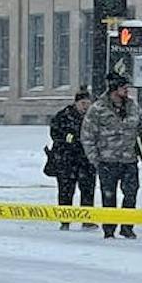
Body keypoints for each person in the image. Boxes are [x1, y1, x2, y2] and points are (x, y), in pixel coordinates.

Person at [82, 73, 142, 240]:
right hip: (107, 160)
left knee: (131, 193)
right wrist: (94, 158)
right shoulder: (98, 109)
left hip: (129, 159)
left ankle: (127, 227)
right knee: (109, 196)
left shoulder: (133, 107)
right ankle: (109, 229)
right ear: (114, 89)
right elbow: (87, 135)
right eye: (124, 88)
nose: (127, 90)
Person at [46, 86, 97, 231]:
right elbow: (56, 133)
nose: (85, 107)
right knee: (66, 190)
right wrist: (72, 139)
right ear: (76, 103)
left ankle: (87, 220)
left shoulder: (93, 118)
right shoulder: (64, 116)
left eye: (88, 104)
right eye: (83, 103)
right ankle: (65, 220)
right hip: (66, 160)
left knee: (87, 190)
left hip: (86, 161)